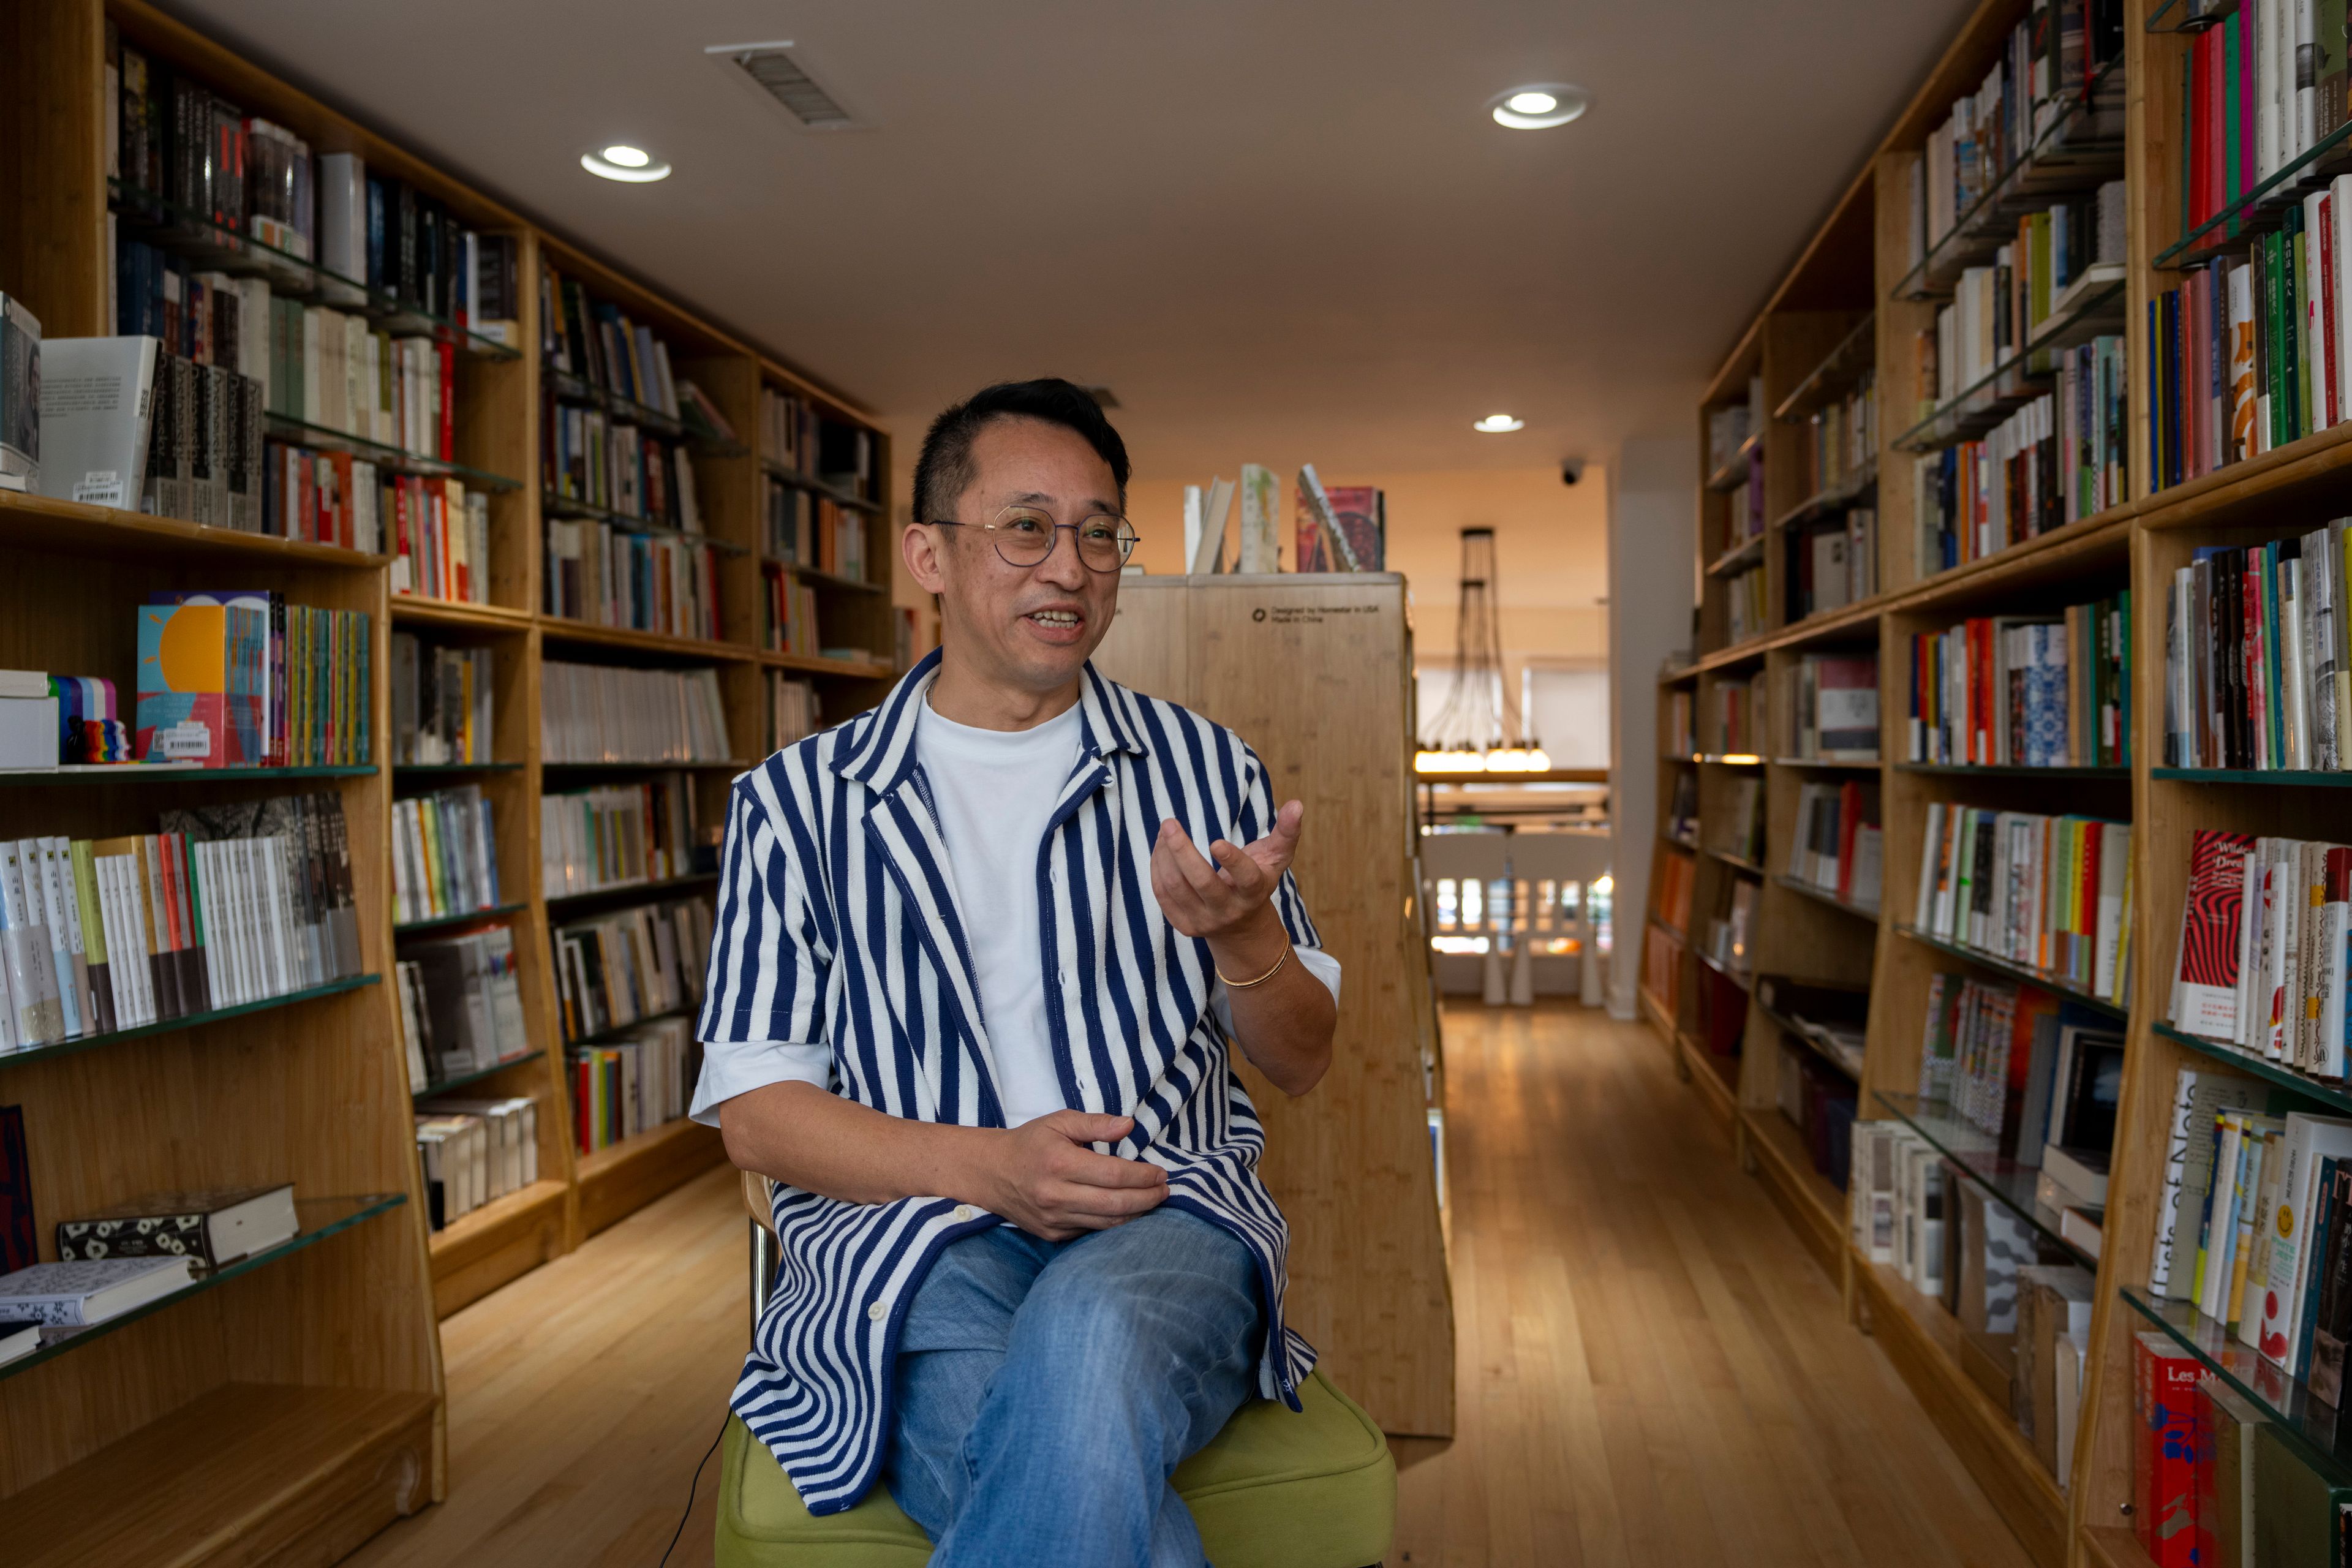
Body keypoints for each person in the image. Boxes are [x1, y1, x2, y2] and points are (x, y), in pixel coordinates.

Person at [693, 378, 1342, 1567]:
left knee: (1089, 1330)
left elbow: (1302, 1059)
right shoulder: (795, 803)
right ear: (928, 555)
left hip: (1164, 1219)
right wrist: (991, 1169)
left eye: (1100, 532)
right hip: (908, 1242)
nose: (1071, 567)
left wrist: (1248, 937)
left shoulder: (1205, 768)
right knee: (1110, 1508)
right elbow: (756, 1114)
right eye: (1027, 526)